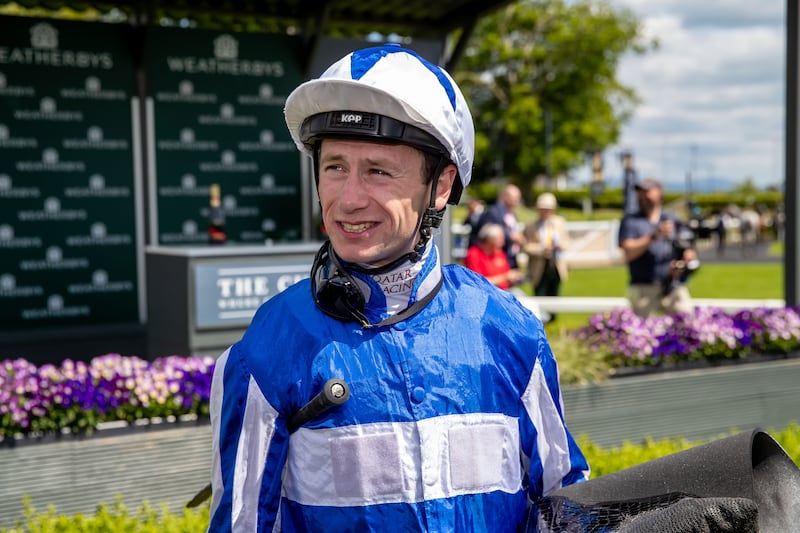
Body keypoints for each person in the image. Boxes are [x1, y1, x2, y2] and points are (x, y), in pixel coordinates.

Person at [206, 43, 588, 532]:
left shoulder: (510, 331)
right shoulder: (267, 347)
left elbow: (567, 508)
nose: (348, 199)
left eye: (378, 171)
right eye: (335, 166)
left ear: (442, 186)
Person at [618, 177, 697, 318]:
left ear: (659, 193)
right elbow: (629, 252)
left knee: (688, 324)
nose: (643, 196)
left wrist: (685, 258)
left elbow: (686, 246)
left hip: (672, 285)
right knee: (641, 332)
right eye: (640, 192)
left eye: (647, 191)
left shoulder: (672, 218)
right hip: (644, 286)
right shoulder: (631, 220)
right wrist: (655, 235)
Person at [522, 192, 570, 322]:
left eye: (548, 209)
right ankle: (541, 321)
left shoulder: (559, 223)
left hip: (555, 265)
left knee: (554, 293)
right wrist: (542, 249)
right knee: (540, 293)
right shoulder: (531, 226)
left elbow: (566, 242)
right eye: (543, 209)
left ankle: (553, 320)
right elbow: (525, 246)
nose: (545, 212)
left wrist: (559, 245)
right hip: (538, 266)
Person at [469, 183, 526, 268]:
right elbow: (485, 232)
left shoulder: (513, 214)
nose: (516, 200)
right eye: (514, 197)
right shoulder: (493, 212)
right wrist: (510, 236)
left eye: (518, 197)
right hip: (494, 258)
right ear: (504, 196)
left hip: (509, 257)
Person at [463, 223, 523, 289]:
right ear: (490, 240)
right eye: (500, 238)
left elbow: (506, 274)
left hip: (503, 291)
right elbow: (478, 282)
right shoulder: (473, 254)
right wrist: (506, 277)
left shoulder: (499, 253)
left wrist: (513, 277)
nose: (503, 242)